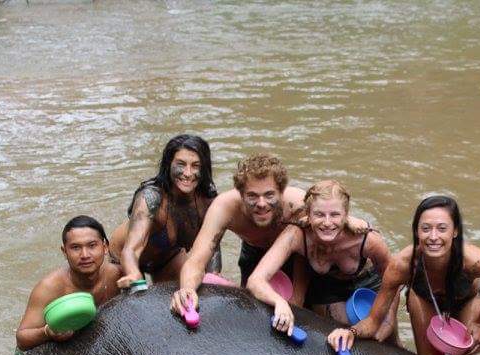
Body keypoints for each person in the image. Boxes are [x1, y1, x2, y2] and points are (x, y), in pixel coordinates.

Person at [170, 154, 368, 316]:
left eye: (269, 195)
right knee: (252, 311)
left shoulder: (297, 204)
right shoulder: (224, 207)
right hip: (255, 254)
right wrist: (187, 288)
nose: (262, 203)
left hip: (296, 257)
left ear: (281, 191)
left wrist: (297, 298)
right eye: (252, 196)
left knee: (306, 313)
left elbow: (329, 217)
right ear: (240, 193)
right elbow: (196, 259)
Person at [327, 195, 480, 355]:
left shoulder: (474, 262)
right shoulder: (402, 265)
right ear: (416, 231)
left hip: (466, 300)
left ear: (455, 231)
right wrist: (350, 332)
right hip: (423, 298)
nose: (433, 237)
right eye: (426, 229)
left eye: (442, 229)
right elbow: (373, 321)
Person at [248, 180, 397, 339]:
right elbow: (255, 280)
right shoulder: (296, 234)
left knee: (385, 338)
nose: (327, 223)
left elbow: (394, 280)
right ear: (308, 215)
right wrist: (279, 302)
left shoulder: (367, 239)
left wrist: (389, 320)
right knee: (334, 332)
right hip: (328, 284)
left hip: (368, 280)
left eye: (335, 214)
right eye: (319, 214)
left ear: (345, 215)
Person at [110, 134, 218, 289]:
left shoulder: (208, 199)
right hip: (122, 259)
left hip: (167, 259)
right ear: (168, 164)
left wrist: (213, 278)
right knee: (132, 299)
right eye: (181, 164)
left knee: (200, 288)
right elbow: (131, 249)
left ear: (205, 168)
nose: (188, 173)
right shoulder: (151, 197)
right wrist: (134, 275)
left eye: (196, 166)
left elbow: (212, 246)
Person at [16, 216, 122, 352]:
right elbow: (22, 339)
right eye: (75, 247)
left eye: (92, 245)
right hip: (50, 349)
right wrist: (48, 332)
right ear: (64, 251)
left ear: (105, 247)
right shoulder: (50, 287)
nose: (85, 255)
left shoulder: (119, 275)